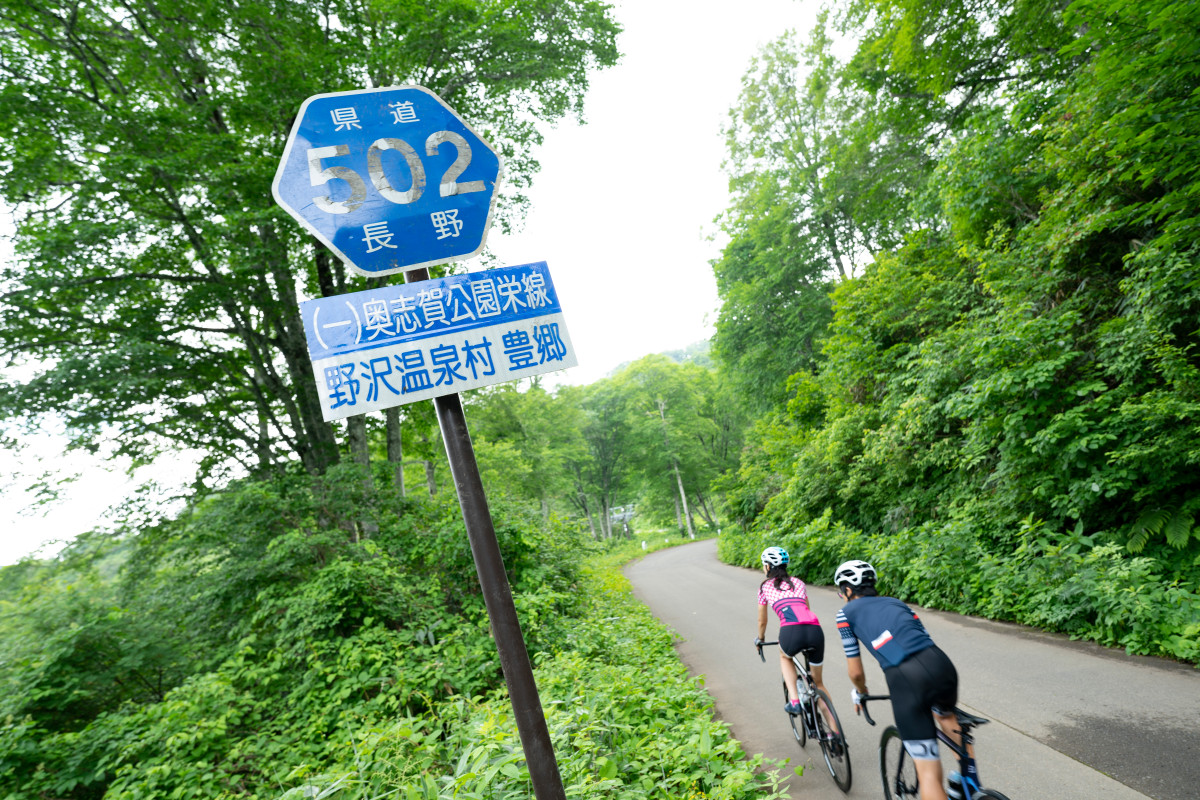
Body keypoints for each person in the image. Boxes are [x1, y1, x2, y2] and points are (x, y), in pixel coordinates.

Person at [833, 559, 976, 800]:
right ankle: (972, 786)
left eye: (841, 591)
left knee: (928, 776)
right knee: (945, 714)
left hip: (906, 679)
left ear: (848, 589)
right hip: (941, 665)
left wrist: (860, 691)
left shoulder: (844, 614)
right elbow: (924, 637)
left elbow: (856, 672)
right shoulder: (899, 603)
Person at [753, 546, 830, 716]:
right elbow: (806, 610)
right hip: (815, 630)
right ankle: (837, 735)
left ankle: (794, 701)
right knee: (818, 684)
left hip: (791, 631)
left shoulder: (764, 587)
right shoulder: (799, 583)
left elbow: (762, 620)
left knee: (784, 656)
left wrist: (760, 638)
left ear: (768, 566)